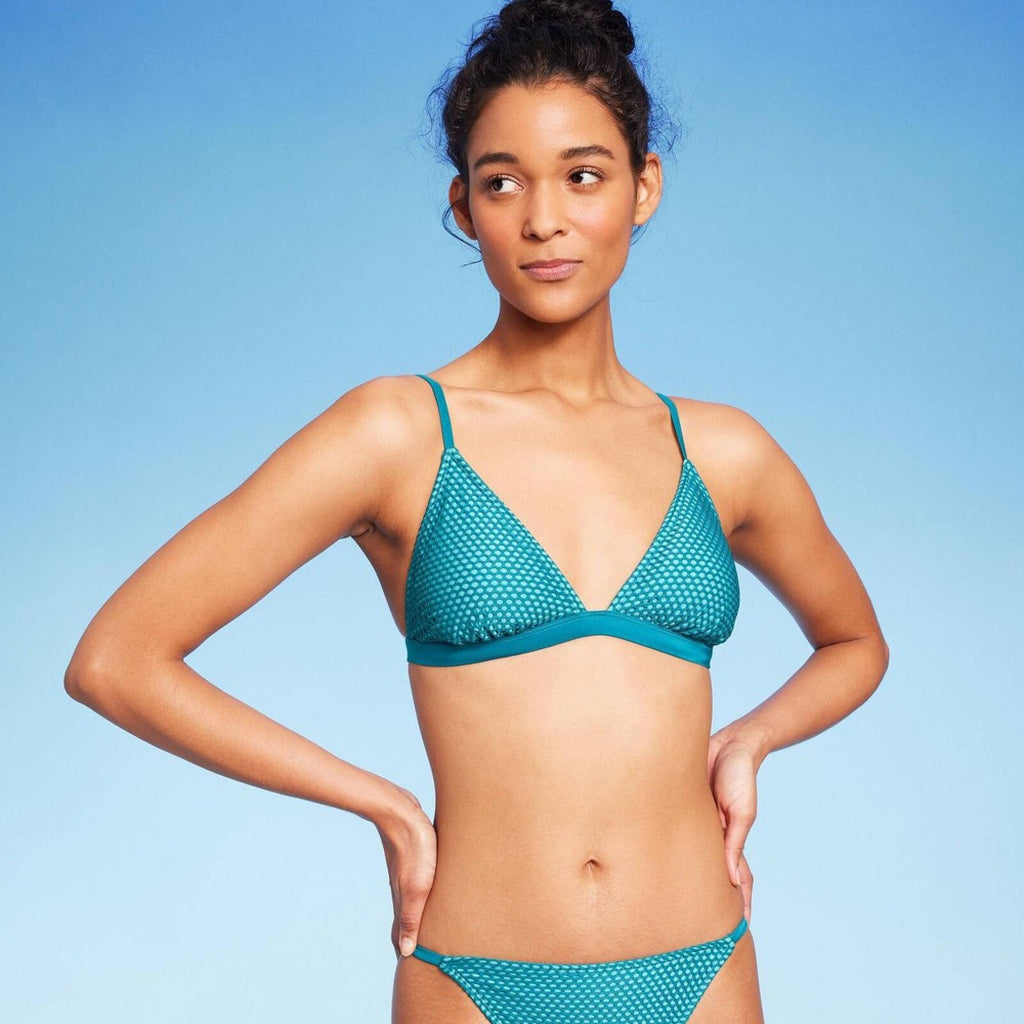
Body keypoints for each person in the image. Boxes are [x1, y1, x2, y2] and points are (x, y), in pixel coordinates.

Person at [64, 0, 890, 1021]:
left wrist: (751, 739)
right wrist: (382, 804)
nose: (544, 220)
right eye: (503, 182)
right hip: (474, 981)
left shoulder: (723, 452)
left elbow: (854, 641)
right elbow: (115, 660)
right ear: (463, 205)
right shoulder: (396, 433)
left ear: (644, 186)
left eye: (583, 176)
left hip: (706, 967)